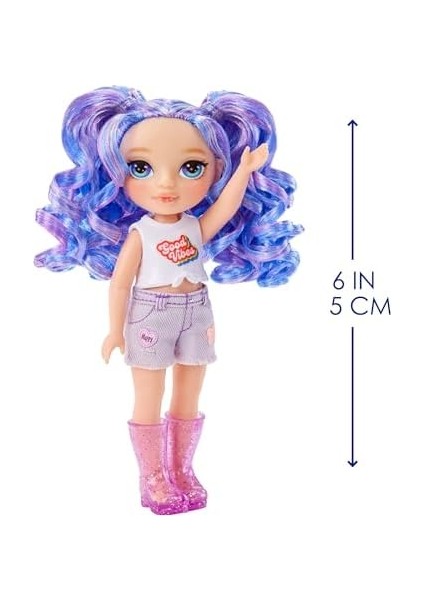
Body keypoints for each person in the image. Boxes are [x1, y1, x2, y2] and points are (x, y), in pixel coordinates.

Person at [35, 86, 303, 515]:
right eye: (140, 167)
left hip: (197, 311)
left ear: (215, 169)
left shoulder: (195, 226)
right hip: (150, 315)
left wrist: (244, 170)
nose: (165, 182)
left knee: (189, 394)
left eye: (191, 167)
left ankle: (181, 469)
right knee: (149, 394)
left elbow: (226, 208)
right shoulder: (140, 233)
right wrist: (115, 329)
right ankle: (153, 477)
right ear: (115, 171)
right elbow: (120, 284)